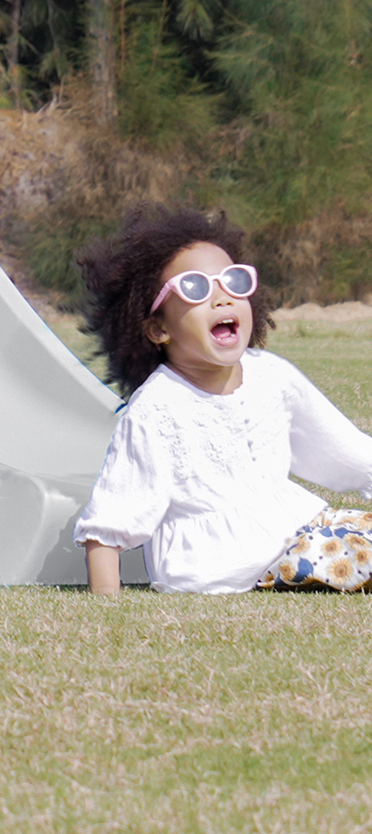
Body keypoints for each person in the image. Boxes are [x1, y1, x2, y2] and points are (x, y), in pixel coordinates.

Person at [72, 206, 372, 593]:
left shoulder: (271, 375)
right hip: (227, 561)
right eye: (195, 288)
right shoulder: (156, 409)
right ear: (158, 328)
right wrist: (106, 608)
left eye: (234, 281)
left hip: (299, 529)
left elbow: (347, 452)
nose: (222, 298)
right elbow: (110, 521)